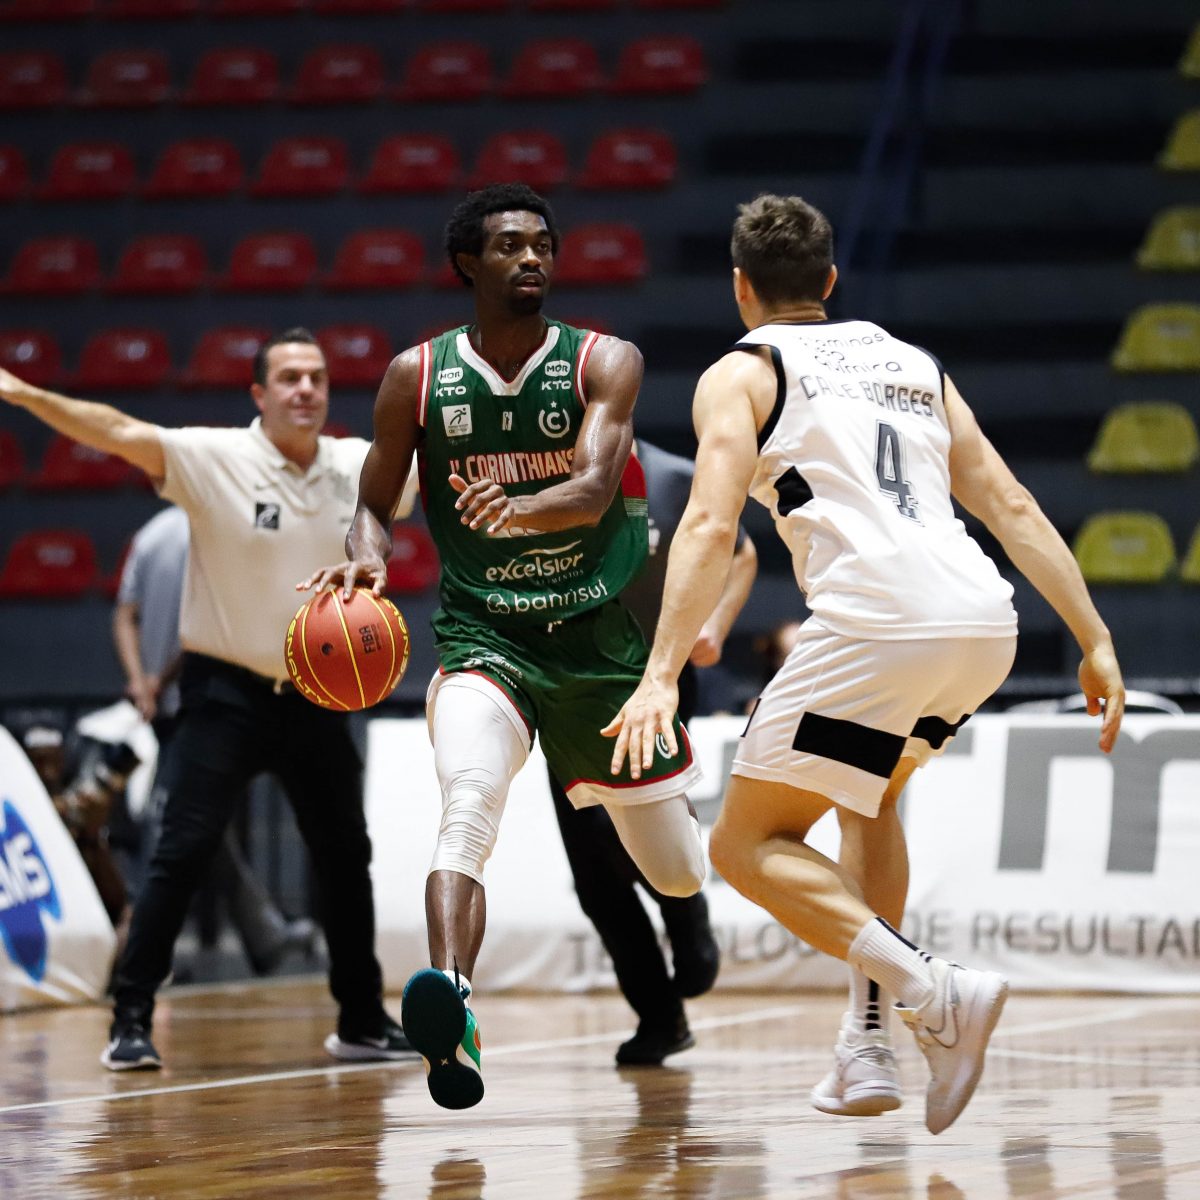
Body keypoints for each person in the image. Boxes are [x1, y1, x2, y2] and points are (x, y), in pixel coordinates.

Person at [605, 193, 1126, 1135]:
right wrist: (1094, 638)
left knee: (743, 846)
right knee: (869, 800)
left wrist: (659, 673)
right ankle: (868, 1041)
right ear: (832, 280)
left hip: (877, 622)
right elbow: (1008, 503)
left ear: (740, 287)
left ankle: (933, 991)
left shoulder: (743, 372)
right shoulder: (913, 362)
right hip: (982, 624)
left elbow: (711, 525)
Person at [302, 183, 707, 1110]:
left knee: (676, 871)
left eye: (543, 245)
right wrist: (365, 558)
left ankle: (691, 896)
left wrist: (518, 509)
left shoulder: (605, 360)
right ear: (467, 264)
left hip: (598, 645)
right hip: (486, 636)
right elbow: (373, 502)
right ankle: (454, 1006)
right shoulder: (416, 376)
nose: (532, 258)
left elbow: (596, 487)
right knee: (466, 809)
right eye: (511, 245)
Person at [0, 327, 416, 1072]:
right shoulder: (212, 457)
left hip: (318, 694)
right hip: (225, 690)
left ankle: (361, 1019)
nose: (305, 389)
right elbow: (116, 430)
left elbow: (434, 467)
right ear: (259, 393)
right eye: (289, 377)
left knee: (345, 855)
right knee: (181, 851)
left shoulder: (358, 464)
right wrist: (27, 394)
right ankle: (130, 1019)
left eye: (317, 377)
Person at [547, 438, 757, 1067]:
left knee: (631, 838)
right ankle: (660, 1018)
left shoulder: (674, 479)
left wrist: (716, 623)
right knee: (593, 875)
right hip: (566, 687)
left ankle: (687, 915)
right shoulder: (544, 478)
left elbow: (742, 553)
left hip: (653, 681)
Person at [113, 504, 317, 977]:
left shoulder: (149, 535)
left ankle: (262, 932)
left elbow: (124, 614)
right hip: (196, 706)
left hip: (164, 707)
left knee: (200, 825)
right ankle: (144, 953)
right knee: (178, 827)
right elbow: (205, 630)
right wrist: (157, 682)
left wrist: (140, 680)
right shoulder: (214, 533)